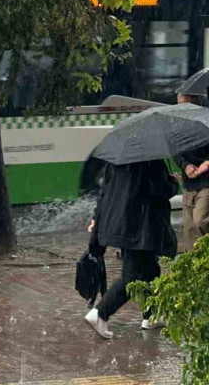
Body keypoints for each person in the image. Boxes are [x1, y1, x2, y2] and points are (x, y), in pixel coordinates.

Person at [84, 159, 178, 339]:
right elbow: (159, 190)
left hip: (124, 223)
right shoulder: (151, 160)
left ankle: (151, 315)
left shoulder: (116, 162)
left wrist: (97, 217)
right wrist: (173, 182)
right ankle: (100, 314)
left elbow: (104, 191)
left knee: (150, 269)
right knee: (132, 276)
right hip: (142, 226)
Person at [174, 92, 209, 253]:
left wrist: (206, 164)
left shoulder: (206, 121)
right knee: (189, 231)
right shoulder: (178, 125)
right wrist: (185, 165)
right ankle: (195, 269)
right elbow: (175, 150)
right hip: (189, 182)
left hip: (206, 181)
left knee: (200, 220)